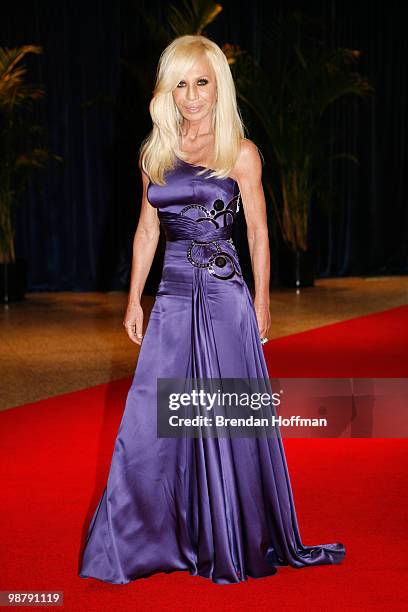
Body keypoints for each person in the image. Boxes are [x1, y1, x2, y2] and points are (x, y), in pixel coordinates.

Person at [79, 34, 345, 585]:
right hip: (173, 299)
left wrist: (263, 298)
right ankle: (146, 538)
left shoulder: (240, 153)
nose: (192, 95)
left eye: (201, 82)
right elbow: (147, 229)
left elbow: (259, 233)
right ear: (168, 92)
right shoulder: (155, 154)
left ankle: (233, 534)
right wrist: (134, 298)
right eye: (181, 84)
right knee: (154, 417)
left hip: (226, 300)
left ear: (217, 85)